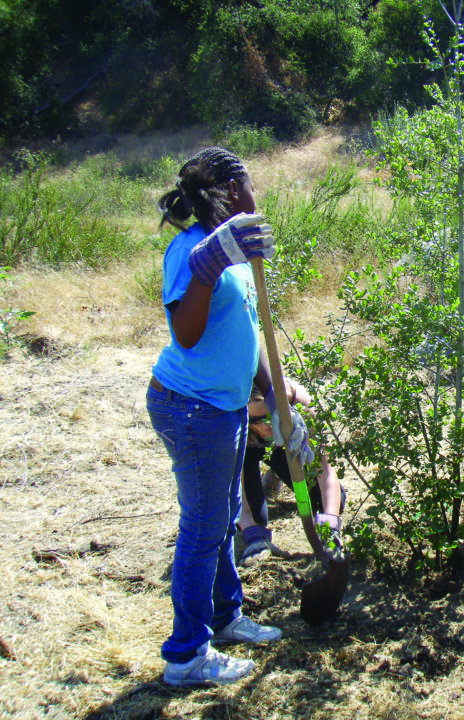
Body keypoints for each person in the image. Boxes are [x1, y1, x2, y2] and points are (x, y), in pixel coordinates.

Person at [147, 147, 313, 686]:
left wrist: (276, 395)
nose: (255, 195)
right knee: (204, 525)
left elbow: (247, 334)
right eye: (250, 184)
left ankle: (225, 616)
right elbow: (187, 336)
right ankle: (187, 654)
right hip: (192, 408)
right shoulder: (189, 250)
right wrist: (206, 266)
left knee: (218, 516)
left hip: (226, 407)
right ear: (234, 189)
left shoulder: (236, 254)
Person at [237, 380, 346, 566]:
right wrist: (251, 534)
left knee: (327, 499)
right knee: (256, 521)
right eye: (260, 419)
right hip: (246, 449)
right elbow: (233, 488)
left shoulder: (301, 406)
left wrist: (331, 526)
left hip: (286, 441)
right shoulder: (230, 420)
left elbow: (325, 470)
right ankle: (269, 479)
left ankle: (275, 473)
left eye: (272, 415)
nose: (268, 423)